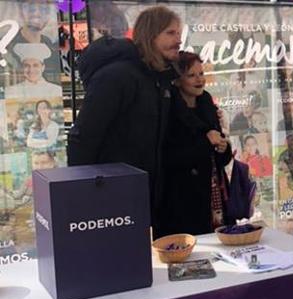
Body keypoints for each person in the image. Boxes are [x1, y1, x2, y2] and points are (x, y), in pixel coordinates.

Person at [67, 6, 182, 233]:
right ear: (150, 34)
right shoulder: (118, 76)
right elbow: (83, 137)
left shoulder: (159, 78)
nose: (178, 40)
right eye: (170, 33)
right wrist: (82, 194)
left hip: (143, 197)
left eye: (179, 33)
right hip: (110, 198)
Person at [159, 51, 232, 237]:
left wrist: (223, 148)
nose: (199, 80)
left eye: (201, 74)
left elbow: (220, 155)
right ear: (177, 80)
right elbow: (169, 157)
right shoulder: (169, 111)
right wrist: (206, 143)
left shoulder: (206, 103)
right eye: (191, 75)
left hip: (214, 194)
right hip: (183, 200)